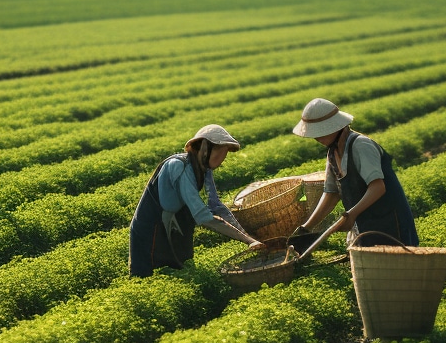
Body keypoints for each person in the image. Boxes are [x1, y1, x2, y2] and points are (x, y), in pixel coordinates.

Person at [129, 124, 264, 277]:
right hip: (151, 228)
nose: (222, 159)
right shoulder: (179, 166)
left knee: (180, 271)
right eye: (219, 152)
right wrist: (246, 239)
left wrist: (247, 235)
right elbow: (202, 216)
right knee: (148, 274)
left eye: (225, 153)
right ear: (204, 148)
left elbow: (216, 206)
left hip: (174, 222)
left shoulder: (203, 170)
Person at [288, 98, 418, 250]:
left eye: (320, 132)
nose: (317, 138)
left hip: (390, 222)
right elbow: (331, 193)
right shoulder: (332, 153)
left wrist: (351, 215)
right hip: (366, 224)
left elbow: (378, 187)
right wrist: (306, 227)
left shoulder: (361, 145)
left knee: (393, 267)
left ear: (336, 127)